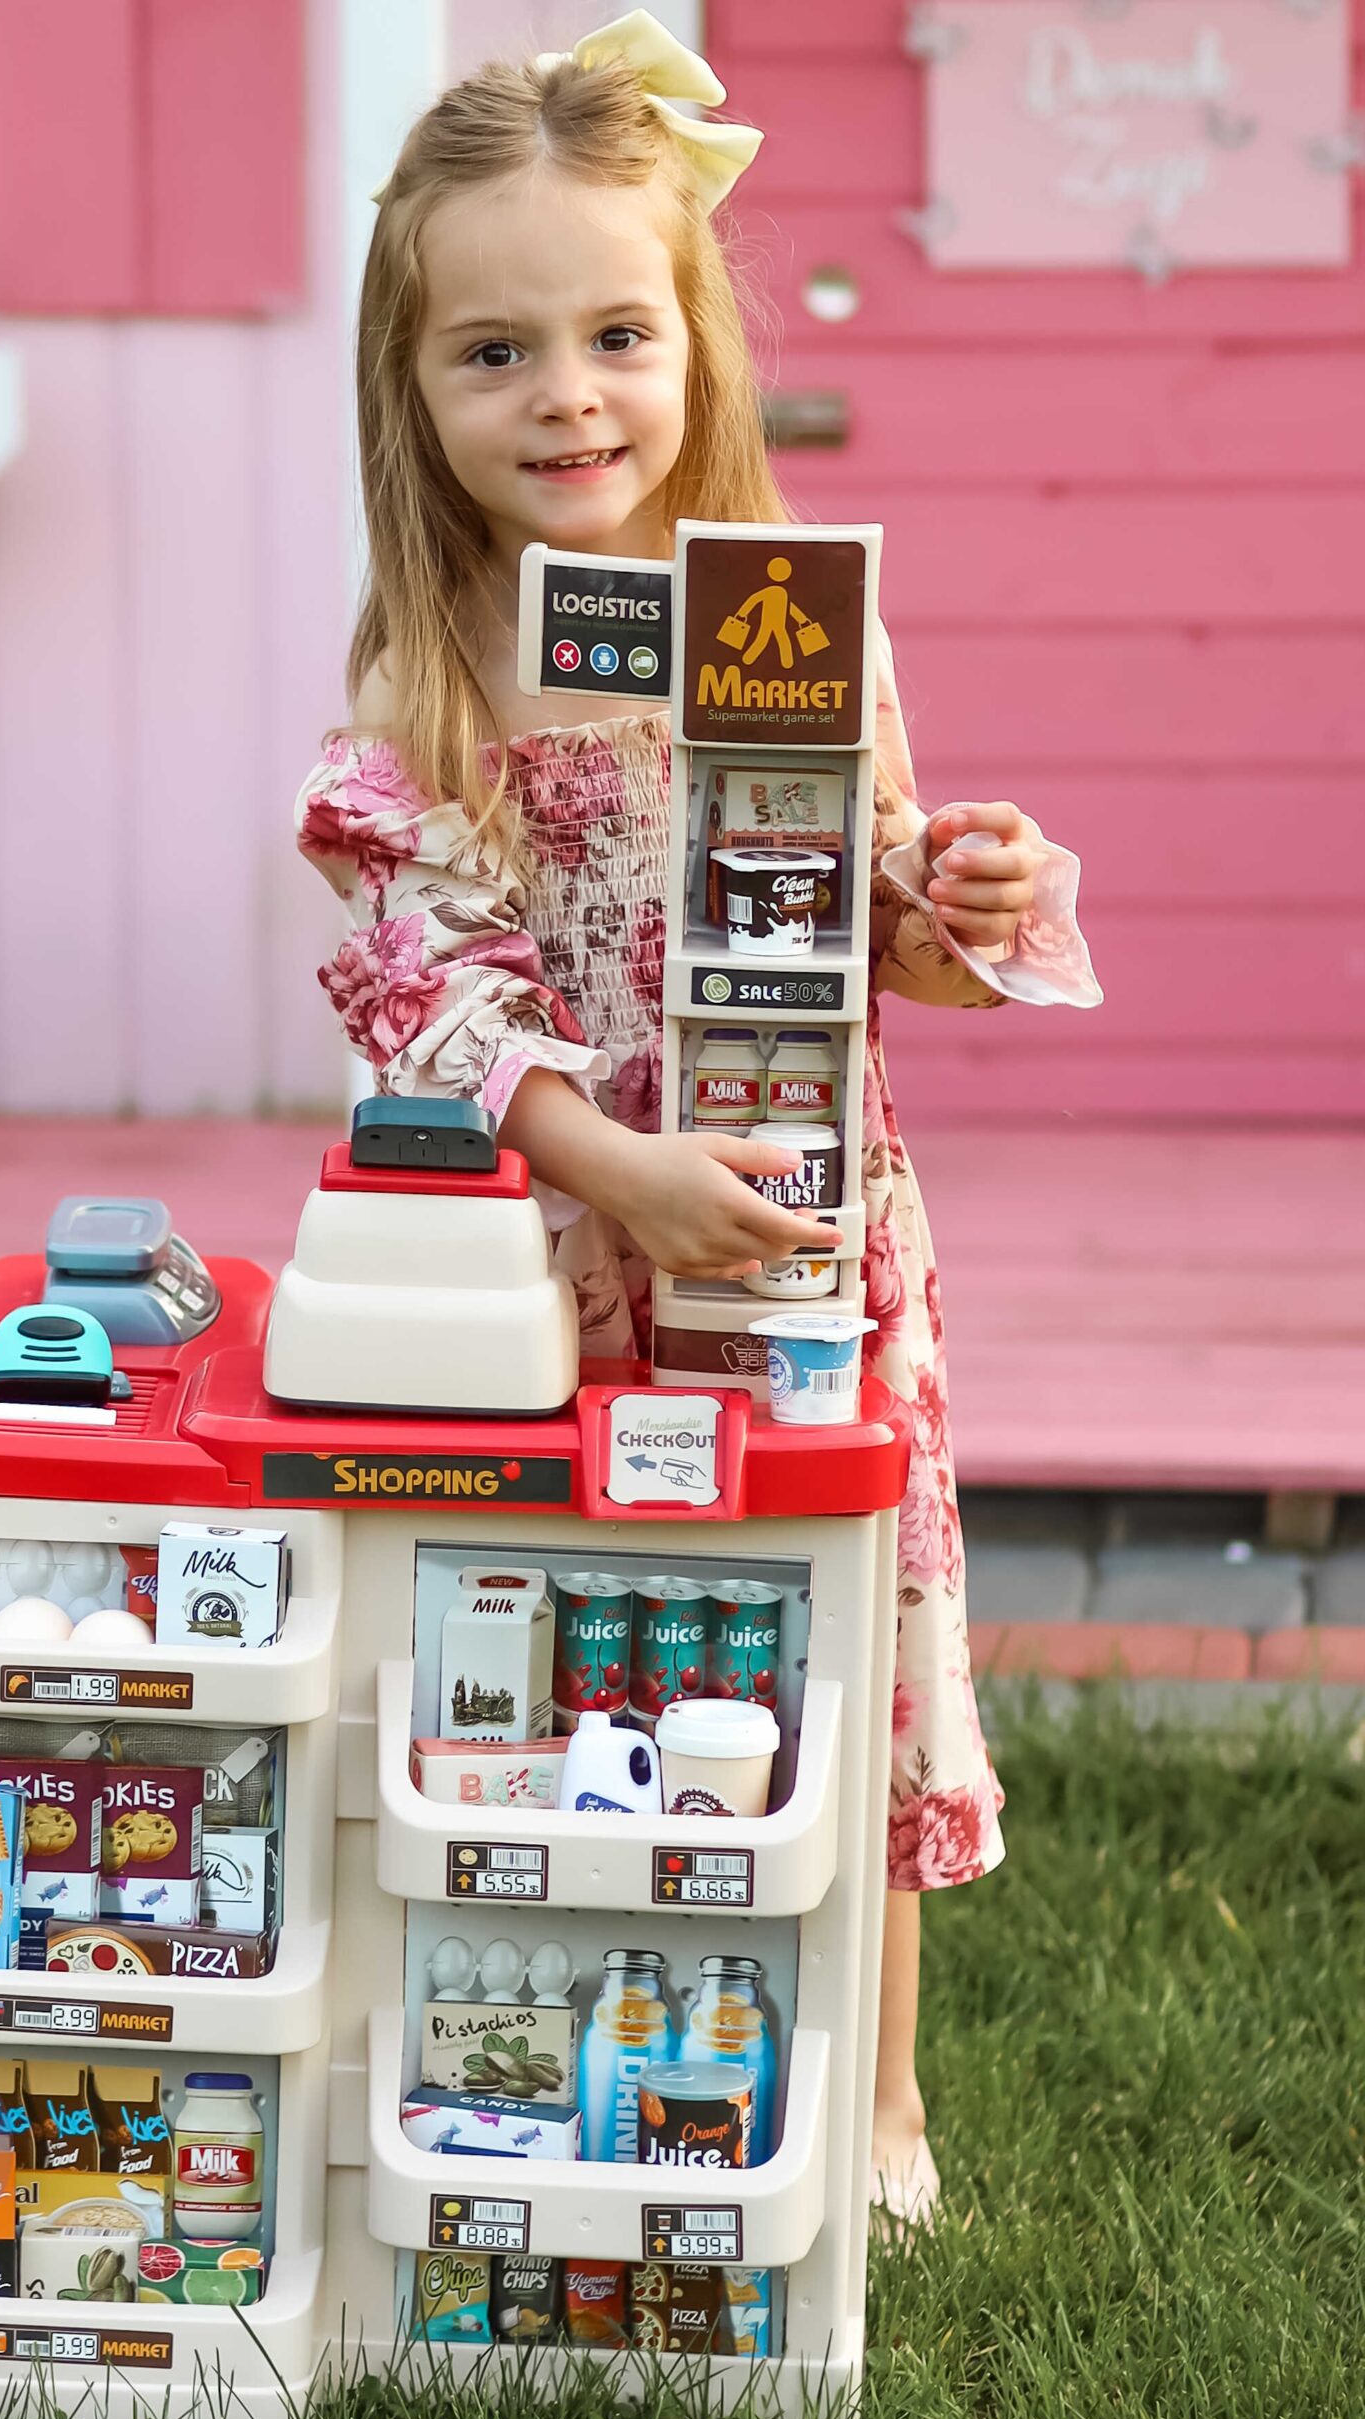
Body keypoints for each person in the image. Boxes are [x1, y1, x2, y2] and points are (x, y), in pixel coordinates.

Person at [298, 13, 1100, 2227]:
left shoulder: (780, 621)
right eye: (493, 351)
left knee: (837, 1622)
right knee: (573, 1639)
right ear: (410, 387)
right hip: (556, 1251)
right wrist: (611, 1170)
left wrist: (960, 896)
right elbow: (437, 990)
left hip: (800, 1231)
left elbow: (876, 916)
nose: (566, 395)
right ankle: (547, 2041)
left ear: (693, 345)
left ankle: (878, 2102)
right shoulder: (428, 681)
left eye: (615, 334)